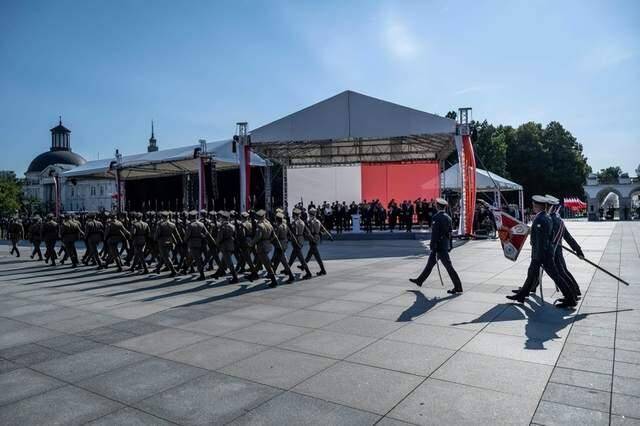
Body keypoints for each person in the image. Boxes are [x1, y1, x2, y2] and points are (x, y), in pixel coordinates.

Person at [507, 195, 577, 308]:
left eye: (535, 205)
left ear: (540, 206)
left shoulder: (540, 219)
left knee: (556, 276)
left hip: (542, 255)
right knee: (531, 274)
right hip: (544, 253)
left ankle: (571, 299)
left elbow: (541, 241)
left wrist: (538, 257)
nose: (533, 207)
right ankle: (521, 295)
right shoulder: (546, 217)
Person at [410, 198, 463, 294]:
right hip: (444, 246)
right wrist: (450, 245)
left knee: (449, 267)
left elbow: (435, 234)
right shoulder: (448, 217)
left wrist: (432, 245)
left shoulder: (436, 217)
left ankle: (458, 287)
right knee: (430, 264)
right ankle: (420, 280)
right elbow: (450, 234)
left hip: (438, 247)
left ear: (438, 206)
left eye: (436, 205)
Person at [545, 194, 584, 297]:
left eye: (546, 206)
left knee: (561, 273)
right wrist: (578, 249)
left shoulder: (551, 220)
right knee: (563, 271)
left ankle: (572, 294)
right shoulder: (558, 219)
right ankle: (576, 291)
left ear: (550, 207)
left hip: (553, 252)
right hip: (558, 251)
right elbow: (568, 237)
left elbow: (551, 237)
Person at [251, 209, 279, 287]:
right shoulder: (269, 223)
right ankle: (253, 274)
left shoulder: (259, 225)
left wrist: (251, 243)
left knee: (266, 264)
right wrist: (269, 240)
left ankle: (274, 281)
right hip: (268, 245)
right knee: (260, 261)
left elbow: (258, 237)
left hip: (262, 246)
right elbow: (273, 235)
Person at [214, 211, 239, 283]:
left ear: (223, 219)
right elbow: (235, 235)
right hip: (231, 245)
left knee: (229, 263)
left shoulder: (222, 227)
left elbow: (219, 237)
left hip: (224, 246)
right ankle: (218, 273)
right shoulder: (232, 226)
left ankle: (235, 277)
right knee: (224, 260)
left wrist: (217, 243)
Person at [271, 211, 296, 283]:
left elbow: (276, 236)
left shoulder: (279, 227)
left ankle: (291, 276)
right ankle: (272, 272)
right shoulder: (285, 225)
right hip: (285, 243)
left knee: (284, 262)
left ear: (277, 219)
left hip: (280, 245)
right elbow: (289, 234)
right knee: (277, 259)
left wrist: (270, 240)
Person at [288, 209, 313, 279]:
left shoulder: (295, 223)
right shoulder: (302, 222)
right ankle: (287, 269)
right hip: (301, 240)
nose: (293, 216)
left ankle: (308, 273)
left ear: (295, 215)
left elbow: (294, 233)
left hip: (296, 241)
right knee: (292, 257)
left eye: (293, 215)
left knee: (301, 259)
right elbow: (307, 231)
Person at [154, 211, 180, 276]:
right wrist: (177, 241)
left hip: (162, 242)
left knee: (166, 257)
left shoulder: (160, 224)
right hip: (170, 241)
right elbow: (176, 234)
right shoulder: (173, 224)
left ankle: (173, 271)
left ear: (163, 217)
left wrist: (155, 239)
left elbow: (157, 234)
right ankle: (158, 268)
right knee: (164, 256)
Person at [305, 208, 327, 276]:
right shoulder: (318, 221)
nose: (309, 216)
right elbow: (323, 230)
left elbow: (310, 231)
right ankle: (323, 270)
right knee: (314, 255)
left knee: (314, 255)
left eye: (309, 214)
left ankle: (304, 266)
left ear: (311, 215)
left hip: (313, 239)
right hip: (317, 239)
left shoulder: (311, 222)